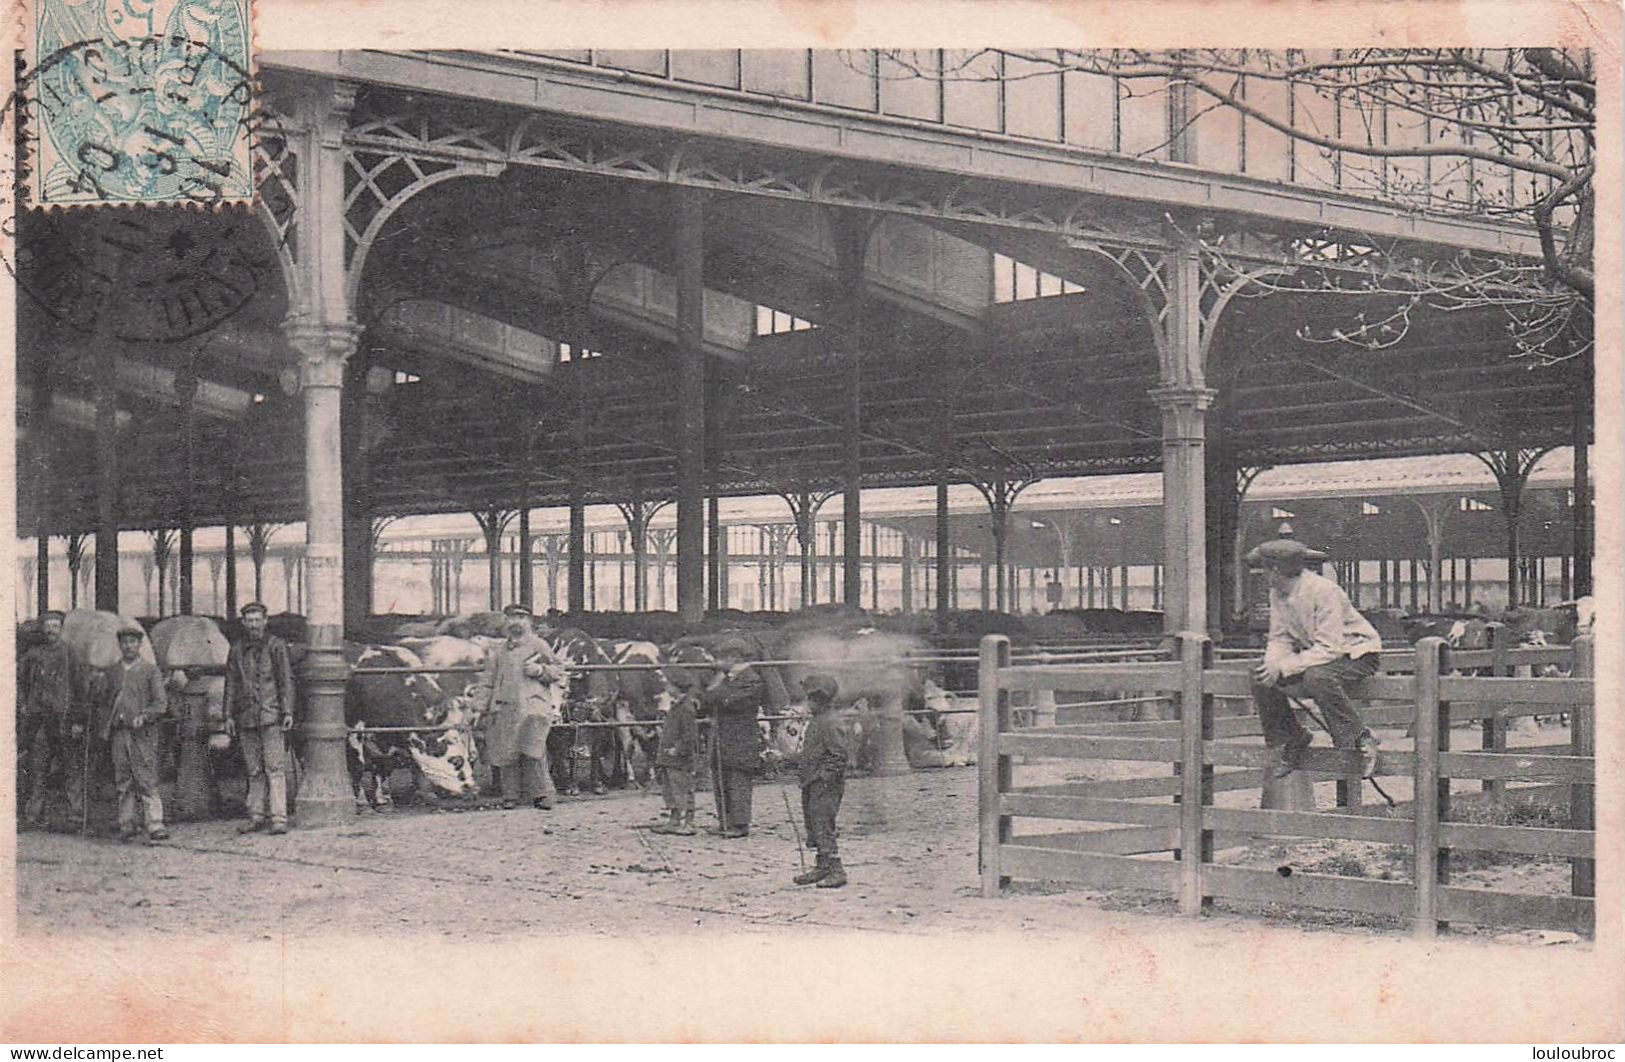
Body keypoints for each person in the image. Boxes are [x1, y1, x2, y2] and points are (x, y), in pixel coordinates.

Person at [1247, 538, 1384, 779]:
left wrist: (1286, 667)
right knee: (1259, 676)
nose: (1262, 575)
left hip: (1357, 653)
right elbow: (1280, 637)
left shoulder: (1323, 591)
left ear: (1276, 570)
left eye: (1264, 569)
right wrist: (1272, 665)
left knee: (1317, 677)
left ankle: (1359, 737)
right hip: (1321, 654)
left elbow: (1330, 647)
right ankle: (1292, 737)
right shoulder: (1277, 594)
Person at [479, 603, 567, 810]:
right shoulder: (498, 650)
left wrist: (539, 670)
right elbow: (487, 680)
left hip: (532, 706)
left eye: (521, 617)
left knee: (533, 749)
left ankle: (543, 794)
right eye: (511, 618)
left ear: (529, 622)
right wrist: (479, 708)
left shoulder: (539, 645)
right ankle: (510, 795)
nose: (516, 622)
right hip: (505, 706)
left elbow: (558, 671)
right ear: (505, 622)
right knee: (506, 749)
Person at [224, 602, 296, 835]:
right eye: (249, 620)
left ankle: (278, 818)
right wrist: (227, 715)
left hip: (271, 714)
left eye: (258, 620)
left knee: (275, 768)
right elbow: (231, 684)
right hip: (246, 717)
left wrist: (287, 711)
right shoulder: (236, 650)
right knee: (253, 769)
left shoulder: (276, 646)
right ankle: (256, 815)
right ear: (244, 623)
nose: (254, 625)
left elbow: (285, 681)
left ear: (265, 621)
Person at [18, 611, 89, 830]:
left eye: (55, 626)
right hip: (39, 720)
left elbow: (81, 689)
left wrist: (78, 720)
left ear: (61, 629)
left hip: (65, 719)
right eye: (48, 626)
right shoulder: (32, 655)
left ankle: (76, 816)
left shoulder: (71, 654)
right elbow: (20, 682)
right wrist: (24, 704)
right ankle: (34, 814)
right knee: (38, 768)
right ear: (43, 629)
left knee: (71, 768)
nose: (51, 630)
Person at [99, 624, 169, 843]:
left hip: (143, 734)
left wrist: (145, 716)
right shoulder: (112, 672)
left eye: (133, 642)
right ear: (120, 645)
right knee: (124, 780)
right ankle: (126, 823)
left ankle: (155, 823)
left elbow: (161, 703)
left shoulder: (150, 671)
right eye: (125, 642)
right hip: (119, 734)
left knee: (146, 778)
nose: (129, 646)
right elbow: (103, 702)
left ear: (139, 645)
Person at [699, 637, 766, 838]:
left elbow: (730, 701)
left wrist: (717, 687)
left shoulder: (752, 680)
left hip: (740, 737)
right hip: (724, 736)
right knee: (721, 779)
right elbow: (706, 700)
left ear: (734, 657)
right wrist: (718, 689)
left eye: (720, 658)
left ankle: (740, 824)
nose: (717, 662)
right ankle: (725, 821)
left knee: (738, 780)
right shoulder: (728, 679)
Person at [793, 673, 849, 888]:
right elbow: (813, 752)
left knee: (823, 824)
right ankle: (822, 865)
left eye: (810, 699)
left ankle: (836, 869)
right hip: (811, 781)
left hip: (825, 784)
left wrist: (824, 778)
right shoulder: (817, 721)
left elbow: (839, 755)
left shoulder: (830, 723)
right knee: (813, 824)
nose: (807, 704)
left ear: (821, 700)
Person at [650, 678, 699, 836]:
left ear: (677, 687)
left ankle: (688, 823)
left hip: (678, 758)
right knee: (670, 790)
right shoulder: (676, 706)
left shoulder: (685, 708)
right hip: (669, 757)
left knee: (682, 789)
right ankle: (674, 820)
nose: (667, 687)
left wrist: (677, 750)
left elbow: (689, 735)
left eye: (670, 684)